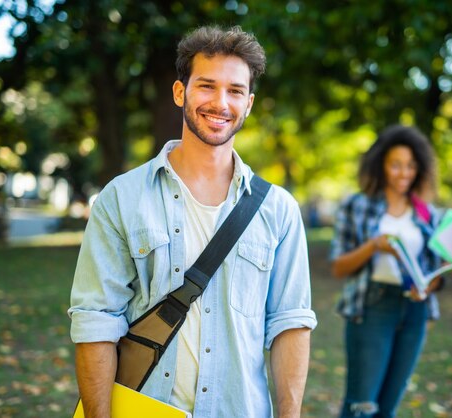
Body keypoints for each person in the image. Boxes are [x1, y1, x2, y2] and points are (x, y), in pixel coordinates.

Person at [68, 25, 317, 418]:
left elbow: (290, 325)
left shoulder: (279, 209)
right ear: (180, 92)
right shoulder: (122, 197)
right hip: (145, 409)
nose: (221, 102)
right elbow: (96, 321)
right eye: (206, 85)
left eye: (235, 90)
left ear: (248, 103)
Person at [330, 125, 442, 418]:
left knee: (388, 407)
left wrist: (431, 283)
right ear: (381, 165)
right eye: (396, 165)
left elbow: (434, 269)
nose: (404, 173)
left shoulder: (426, 211)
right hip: (372, 307)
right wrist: (374, 246)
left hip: (415, 312)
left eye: (410, 166)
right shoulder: (357, 205)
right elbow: (338, 266)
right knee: (361, 405)